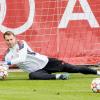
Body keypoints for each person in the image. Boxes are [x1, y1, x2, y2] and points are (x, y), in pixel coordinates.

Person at [1, 31, 100, 80]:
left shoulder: (21, 43)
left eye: (11, 39)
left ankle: (97, 73)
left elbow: (21, 59)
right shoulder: (7, 55)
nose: (10, 42)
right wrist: (2, 72)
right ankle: (58, 76)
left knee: (74, 68)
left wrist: (7, 63)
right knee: (32, 76)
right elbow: (4, 69)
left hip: (47, 62)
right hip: (37, 71)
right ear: (4, 41)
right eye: (7, 40)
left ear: (15, 38)